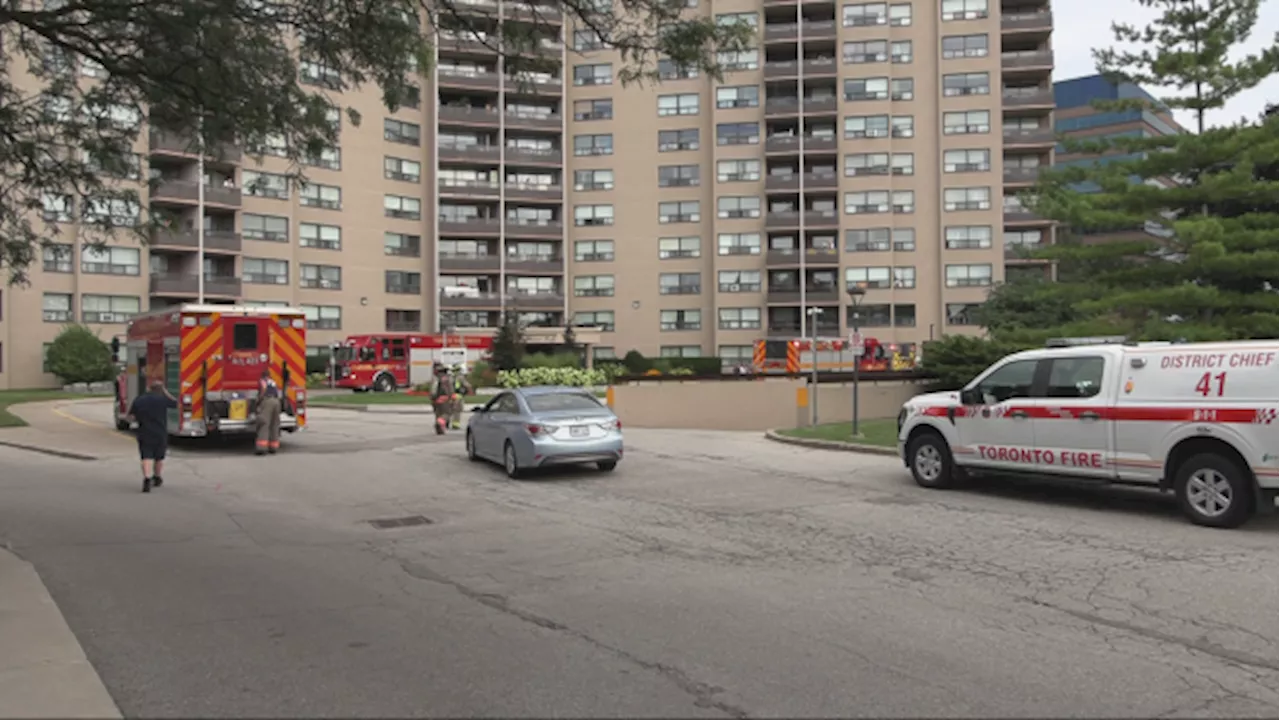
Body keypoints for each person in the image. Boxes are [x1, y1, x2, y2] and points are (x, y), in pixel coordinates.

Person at [127, 379, 178, 493]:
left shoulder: (139, 400)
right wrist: (166, 392)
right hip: (160, 432)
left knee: (146, 456)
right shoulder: (162, 400)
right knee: (159, 457)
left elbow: (130, 416)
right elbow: (176, 403)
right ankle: (157, 477)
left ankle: (146, 478)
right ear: (161, 390)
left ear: (149, 388)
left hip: (144, 432)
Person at [255, 370, 282, 455]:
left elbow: (263, 390)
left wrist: (258, 401)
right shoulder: (273, 381)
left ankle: (262, 448)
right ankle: (273, 446)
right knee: (274, 424)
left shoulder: (263, 381)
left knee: (264, 423)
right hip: (276, 402)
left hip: (267, 401)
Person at [430, 364, 455, 435]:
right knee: (446, 414)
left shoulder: (435, 379)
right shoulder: (447, 379)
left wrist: (432, 398)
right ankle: (439, 424)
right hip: (444, 399)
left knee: (438, 414)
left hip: (435, 400)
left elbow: (431, 391)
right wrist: (451, 397)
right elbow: (450, 389)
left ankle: (440, 430)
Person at [449, 365, 473, 430]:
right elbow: (467, 385)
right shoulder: (460, 377)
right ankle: (455, 425)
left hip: (450, 396)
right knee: (457, 411)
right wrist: (470, 391)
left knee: (449, 410)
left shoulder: (450, 377)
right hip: (458, 396)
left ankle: (446, 423)